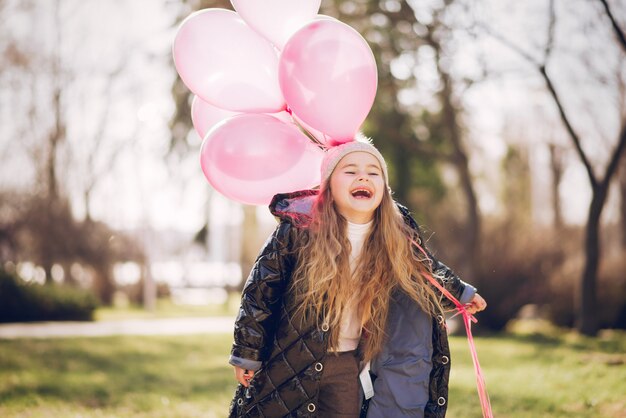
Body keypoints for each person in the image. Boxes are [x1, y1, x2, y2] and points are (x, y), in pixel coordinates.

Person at [228, 139, 486, 418]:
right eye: (350, 171)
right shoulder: (298, 231)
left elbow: (425, 271)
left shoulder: (394, 235)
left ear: (384, 190)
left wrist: (460, 293)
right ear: (327, 187)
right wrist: (247, 352)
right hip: (290, 358)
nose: (363, 176)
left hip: (346, 363)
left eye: (373, 172)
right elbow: (260, 292)